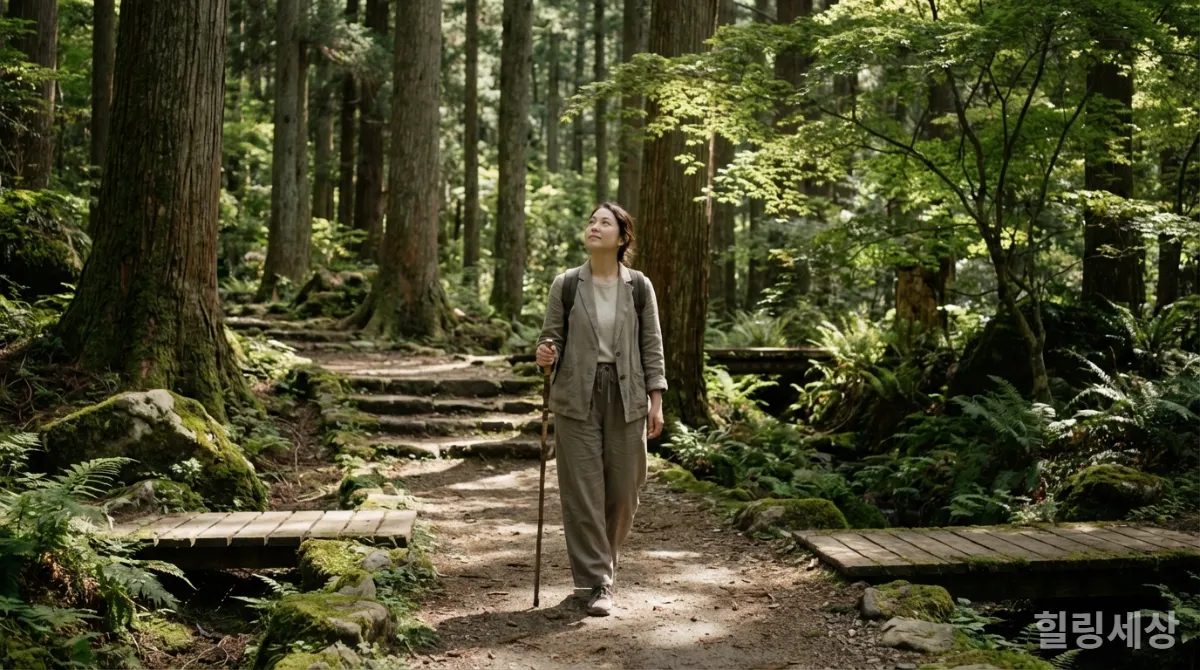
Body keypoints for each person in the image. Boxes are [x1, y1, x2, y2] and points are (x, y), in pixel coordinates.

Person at [535, 202, 667, 617]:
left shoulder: (640, 286)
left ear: (622, 237)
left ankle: (601, 567)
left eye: (604, 222)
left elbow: (652, 347)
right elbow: (549, 339)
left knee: (626, 488)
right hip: (578, 393)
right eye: (591, 221)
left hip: (627, 394)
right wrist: (544, 354)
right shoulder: (567, 284)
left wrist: (656, 400)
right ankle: (597, 581)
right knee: (583, 492)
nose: (594, 226)